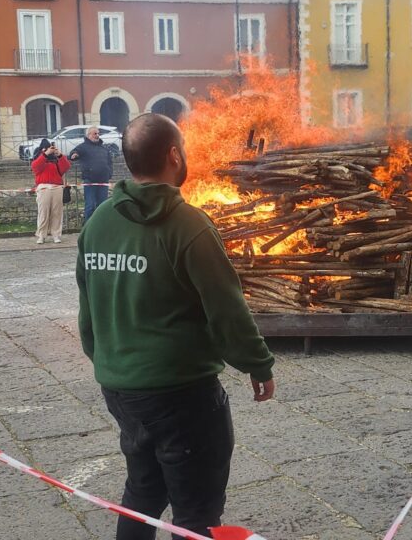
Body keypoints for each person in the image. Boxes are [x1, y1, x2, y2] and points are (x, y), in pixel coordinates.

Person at [76, 113, 275, 540]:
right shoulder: (189, 225)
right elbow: (227, 309)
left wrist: (111, 363)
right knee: (196, 511)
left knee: (142, 492)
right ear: (173, 155)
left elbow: (87, 311)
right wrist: (258, 364)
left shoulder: (98, 224)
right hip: (183, 394)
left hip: (122, 389)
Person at [68, 126, 113, 222]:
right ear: (88, 135)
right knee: (90, 206)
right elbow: (73, 153)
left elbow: (109, 162)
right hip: (90, 181)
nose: (97, 135)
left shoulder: (104, 148)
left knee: (102, 206)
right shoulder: (83, 147)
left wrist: (109, 173)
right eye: (95, 133)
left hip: (103, 181)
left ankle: (100, 228)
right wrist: (74, 155)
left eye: (98, 133)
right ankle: (87, 228)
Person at [31, 139, 70, 244]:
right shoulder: (39, 157)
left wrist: (60, 155)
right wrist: (45, 154)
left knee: (57, 213)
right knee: (43, 212)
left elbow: (66, 167)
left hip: (57, 187)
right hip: (43, 187)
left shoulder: (56, 159)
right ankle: (41, 235)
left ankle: (56, 234)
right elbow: (35, 167)